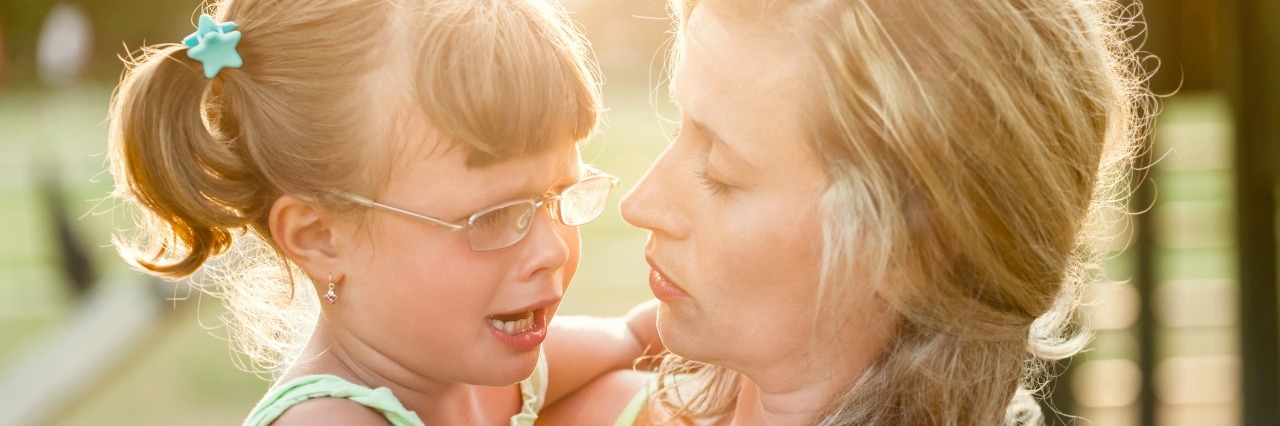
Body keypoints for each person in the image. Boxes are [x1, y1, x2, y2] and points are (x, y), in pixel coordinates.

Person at [539, 0, 1152, 424]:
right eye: (681, 126)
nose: (640, 204)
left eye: (722, 171)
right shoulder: (576, 410)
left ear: (912, 252)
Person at [106, 0, 659, 424]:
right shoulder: (325, 421)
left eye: (560, 194)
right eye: (493, 216)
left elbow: (642, 339)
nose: (553, 250)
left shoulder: (481, 376)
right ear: (320, 237)